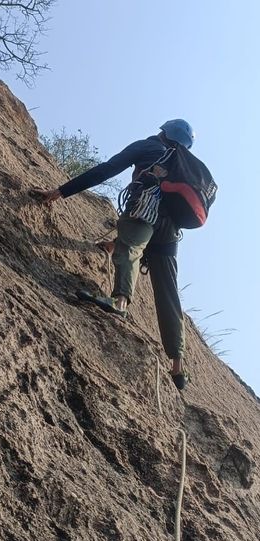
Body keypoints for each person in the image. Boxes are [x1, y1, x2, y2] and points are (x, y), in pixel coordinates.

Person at [32, 120, 196, 390]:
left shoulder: (148, 146)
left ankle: (120, 302)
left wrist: (60, 192)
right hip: (170, 232)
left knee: (129, 250)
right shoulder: (183, 167)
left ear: (163, 132)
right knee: (168, 292)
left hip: (144, 212)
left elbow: (107, 170)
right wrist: (116, 241)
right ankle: (178, 367)